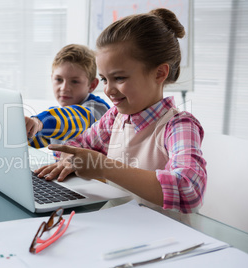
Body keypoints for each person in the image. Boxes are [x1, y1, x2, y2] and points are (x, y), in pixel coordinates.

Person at [35, 8, 207, 214]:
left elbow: (189, 190)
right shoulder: (116, 117)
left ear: (159, 73)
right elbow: (74, 147)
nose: (108, 89)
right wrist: (72, 160)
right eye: (105, 79)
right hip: (119, 227)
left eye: (120, 78)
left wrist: (104, 166)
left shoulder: (179, 126)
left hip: (167, 238)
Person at [25, 44, 110, 149]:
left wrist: (39, 122)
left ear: (92, 85)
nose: (64, 88)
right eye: (59, 79)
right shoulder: (57, 122)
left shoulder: (97, 110)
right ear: (52, 79)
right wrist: (27, 130)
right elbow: (38, 139)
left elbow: (76, 118)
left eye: (74, 81)